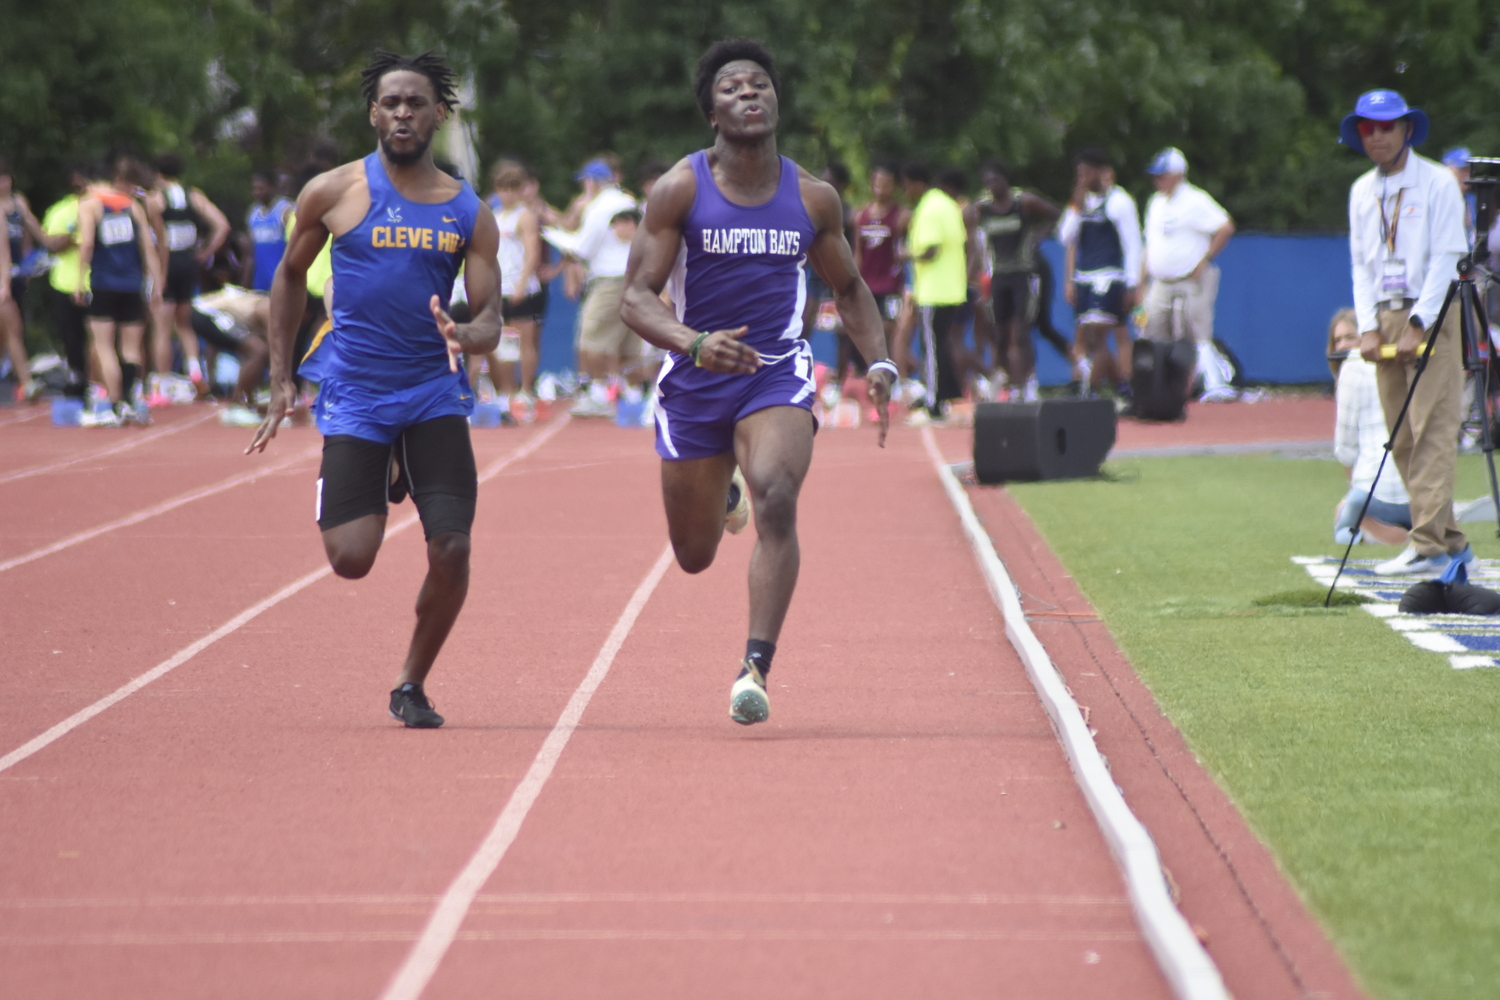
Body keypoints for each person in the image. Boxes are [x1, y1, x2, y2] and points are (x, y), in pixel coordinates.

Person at [620, 38, 894, 725]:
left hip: (774, 370)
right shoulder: (681, 188)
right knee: (693, 554)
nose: (748, 93)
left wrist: (882, 362)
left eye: (759, 85)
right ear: (711, 112)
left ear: (776, 101)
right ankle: (724, 494)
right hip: (693, 379)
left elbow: (852, 288)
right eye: (731, 87)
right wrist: (693, 343)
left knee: (778, 497)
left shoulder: (813, 197)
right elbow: (635, 297)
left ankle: (755, 668)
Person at [246, 50, 502, 727]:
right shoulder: (331, 193)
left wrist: (468, 336)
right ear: (373, 112)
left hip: (431, 392)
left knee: (453, 548)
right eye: (391, 102)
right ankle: (382, 462)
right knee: (351, 558)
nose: (403, 113)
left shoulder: (466, 209)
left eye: (416, 102)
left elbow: (491, 320)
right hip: (356, 390)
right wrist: (279, 378)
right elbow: (289, 280)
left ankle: (411, 682)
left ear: (439, 113)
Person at [1342, 89, 1472, 576]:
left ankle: (1427, 547)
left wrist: (1421, 321)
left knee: (1431, 430)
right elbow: (1359, 265)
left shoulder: (1439, 182)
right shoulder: (1360, 191)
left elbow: (1449, 256)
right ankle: (1452, 543)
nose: (1376, 136)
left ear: (1406, 130)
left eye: (1386, 126)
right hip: (1384, 315)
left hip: (1432, 313)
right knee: (1401, 439)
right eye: (1368, 128)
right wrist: (1368, 327)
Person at [1139, 147, 1237, 402]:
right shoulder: (1155, 203)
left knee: (1196, 328)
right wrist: (1142, 282)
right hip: (1160, 281)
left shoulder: (1195, 200)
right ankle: (1159, 386)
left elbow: (1225, 226)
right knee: (1152, 329)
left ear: (1177, 174)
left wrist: (1204, 260)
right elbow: (1149, 245)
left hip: (1190, 279)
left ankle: (1215, 382)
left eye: (1162, 175)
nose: (1156, 180)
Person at [543, 157, 638, 416]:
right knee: (629, 340)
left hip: (609, 279)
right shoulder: (628, 201)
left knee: (590, 337)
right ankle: (632, 393)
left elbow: (583, 248)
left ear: (593, 182)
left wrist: (553, 234)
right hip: (634, 277)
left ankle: (599, 394)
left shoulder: (599, 208)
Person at [75, 155, 164, 425]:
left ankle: (114, 403)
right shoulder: (133, 207)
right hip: (131, 284)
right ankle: (129, 400)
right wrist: (157, 284)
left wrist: (80, 280)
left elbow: (87, 243)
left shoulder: (89, 205)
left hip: (103, 282)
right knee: (131, 348)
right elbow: (148, 248)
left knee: (103, 346)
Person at [969, 160, 1061, 402]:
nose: (991, 186)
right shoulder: (983, 207)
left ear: (1006, 180)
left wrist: (1038, 236)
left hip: (1023, 272)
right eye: (987, 182)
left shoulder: (1023, 202)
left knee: (1020, 332)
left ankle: (1027, 383)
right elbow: (970, 228)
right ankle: (1005, 381)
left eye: (995, 180)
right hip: (999, 274)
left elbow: (1054, 212)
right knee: (998, 333)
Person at [1059, 148, 1141, 396]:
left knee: (1099, 335)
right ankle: (1121, 384)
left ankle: (1087, 386)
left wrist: (1132, 283)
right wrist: (1076, 204)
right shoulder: (1081, 204)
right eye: (1079, 174)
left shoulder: (1119, 201)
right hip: (1085, 276)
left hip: (1109, 277)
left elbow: (1132, 244)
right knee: (1085, 336)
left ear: (1101, 173)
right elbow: (1065, 236)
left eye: (1087, 173)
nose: (1082, 179)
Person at [148, 153, 231, 391]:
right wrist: (205, 253)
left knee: (162, 328)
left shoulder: (155, 200)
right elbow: (222, 225)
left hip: (166, 263)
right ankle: (195, 372)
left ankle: (162, 383)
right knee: (185, 324)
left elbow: (152, 237)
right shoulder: (194, 196)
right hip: (188, 261)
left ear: (157, 174)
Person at [1329, 308, 1411, 545]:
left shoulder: (1352, 368)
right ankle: (1415, 532)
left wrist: (1351, 490)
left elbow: (1345, 447)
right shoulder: (1404, 361)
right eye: (1338, 340)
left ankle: (1365, 527)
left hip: (1373, 492)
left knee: (1343, 521)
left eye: (1350, 337)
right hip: (1419, 491)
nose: (1343, 345)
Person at [474, 161, 544, 419]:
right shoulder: (494, 214)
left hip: (521, 286)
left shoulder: (524, 215)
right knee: (500, 343)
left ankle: (526, 390)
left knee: (525, 340)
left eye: (512, 189)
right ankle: (506, 392)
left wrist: (523, 283)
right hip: (498, 287)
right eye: (502, 189)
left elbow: (532, 251)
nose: (507, 194)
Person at [902, 161, 967, 420]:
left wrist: (904, 253)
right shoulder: (949, 205)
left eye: (906, 184)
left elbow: (930, 249)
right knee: (941, 344)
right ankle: (948, 395)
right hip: (951, 287)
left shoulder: (929, 208)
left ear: (917, 183)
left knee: (930, 346)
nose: (905, 189)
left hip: (935, 289)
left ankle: (934, 403)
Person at [37, 162, 96, 400]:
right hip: (66, 282)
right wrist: (75, 234)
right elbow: (52, 245)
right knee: (72, 337)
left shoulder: (105, 206)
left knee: (99, 338)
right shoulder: (60, 210)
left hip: (97, 281)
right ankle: (77, 378)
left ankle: (98, 382)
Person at [852, 163, 910, 394]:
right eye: (877, 183)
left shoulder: (902, 216)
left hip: (890, 285)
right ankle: (878, 377)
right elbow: (858, 252)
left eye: (886, 184)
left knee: (888, 332)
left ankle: (892, 379)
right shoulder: (860, 216)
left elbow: (906, 249)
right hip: (867, 284)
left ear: (893, 186)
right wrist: (852, 282)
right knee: (867, 334)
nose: (881, 188)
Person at [0, 156, 42, 401]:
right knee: (13, 326)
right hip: (2, 277)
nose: (2, 183)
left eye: (5, 178)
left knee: (6, 331)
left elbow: (32, 231)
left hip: (16, 275)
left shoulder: (18, 203)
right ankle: (27, 383)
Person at [246, 169, 295, 292]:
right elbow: (250, 253)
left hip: (282, 281)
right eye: (254, 188)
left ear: (273, 187)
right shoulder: (253, 213)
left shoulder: (286, 211)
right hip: (260, 281)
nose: (257, 192)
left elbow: (295, 246)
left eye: (261, 188)